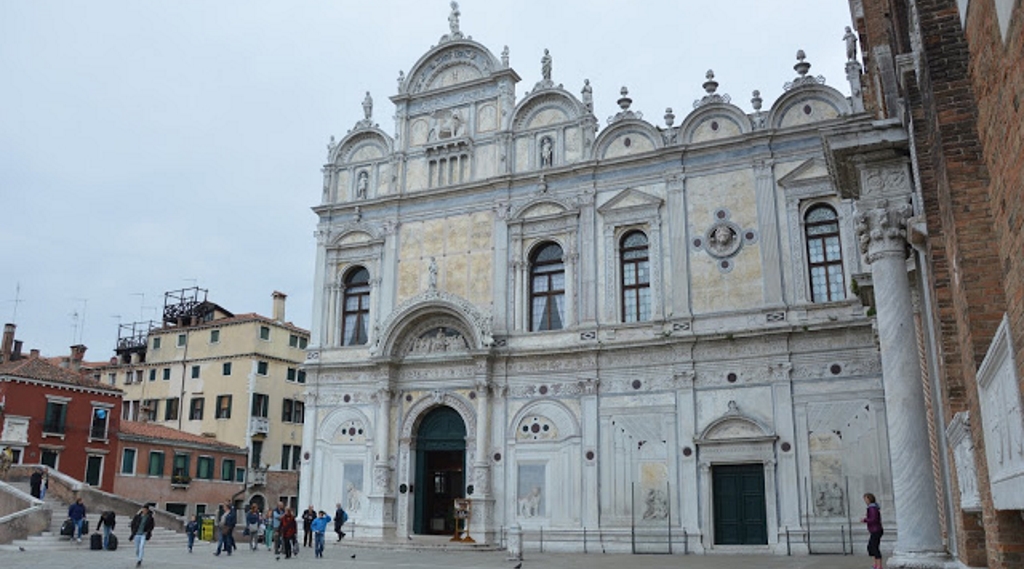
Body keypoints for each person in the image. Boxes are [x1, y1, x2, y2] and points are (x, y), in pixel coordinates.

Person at [861, 492, 884, 569]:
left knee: (874, 547)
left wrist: (865, 520)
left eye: (866, 499)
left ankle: (879, 566)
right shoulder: (872, 508)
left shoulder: (872, 508)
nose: (865, 501)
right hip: (875, 529)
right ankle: (875, 564)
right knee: (871, 547)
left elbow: (873, 519)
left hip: (876, 530)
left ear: (869, 499)